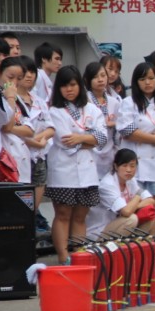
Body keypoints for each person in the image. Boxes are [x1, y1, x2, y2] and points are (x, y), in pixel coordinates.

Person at [45, 65, 108, 264]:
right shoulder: (55, 111)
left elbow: (103, 137)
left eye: (72, 85)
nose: (69, 89)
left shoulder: (91, 109)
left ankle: (80, 253)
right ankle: (64, 255)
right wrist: (89, 140)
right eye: (64, 86)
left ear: (79, 85)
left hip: (88, 170)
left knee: (81, 215)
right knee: (63, 214)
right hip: (64, 170)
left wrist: (82, 138)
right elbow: (66, 142)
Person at [118, 62, 155, 210]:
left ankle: (152, 234)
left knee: (153, 208)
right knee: (132, 206)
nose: (148, 82)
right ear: (136, 82)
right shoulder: (128, 103)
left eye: (151, 78)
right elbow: (126, 131)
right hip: (135, 164)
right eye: (142, 79)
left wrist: (141, 135)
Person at [15, 56, 54, 231]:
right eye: (25, 72)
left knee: (33, 208)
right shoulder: (10, 100)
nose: (29, 76)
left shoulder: (38, 100)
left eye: (32, 72)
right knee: (17, 208)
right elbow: (11, 130)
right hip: (18, 157)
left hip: (39, 158)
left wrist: (42, 139)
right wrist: (34, 141)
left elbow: (51, 127)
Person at [86, 148, 155, 237]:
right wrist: (138, 196)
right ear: (116, 166)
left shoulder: (130, 180)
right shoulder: (107, 184)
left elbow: (151, 200)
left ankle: (137, 245)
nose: (129, 170)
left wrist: (134, 206)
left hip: (119, 224)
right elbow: (126, 212)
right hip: (100, 230)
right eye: (124, 165)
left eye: (132, 166)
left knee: (150, 211)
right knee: (131, 219)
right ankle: (117, 248)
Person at [84, 62, 121, 177]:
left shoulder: (114, 102)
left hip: (109, 151)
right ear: (88, 80)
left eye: (103, 76)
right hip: (90, 150)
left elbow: (119, 127)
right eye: (95, 77)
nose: (100, 80)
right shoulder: (85, 101)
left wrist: (114, 123)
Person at [0, 58, 33, 183]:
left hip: (22, 158)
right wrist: (10, 98)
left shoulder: (18, 100)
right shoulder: (7, 97)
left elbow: (29, 130)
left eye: (19, 79)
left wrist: (12, 128)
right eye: (10, 77)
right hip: (5, 160)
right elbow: (7, 124)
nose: (14, 82)